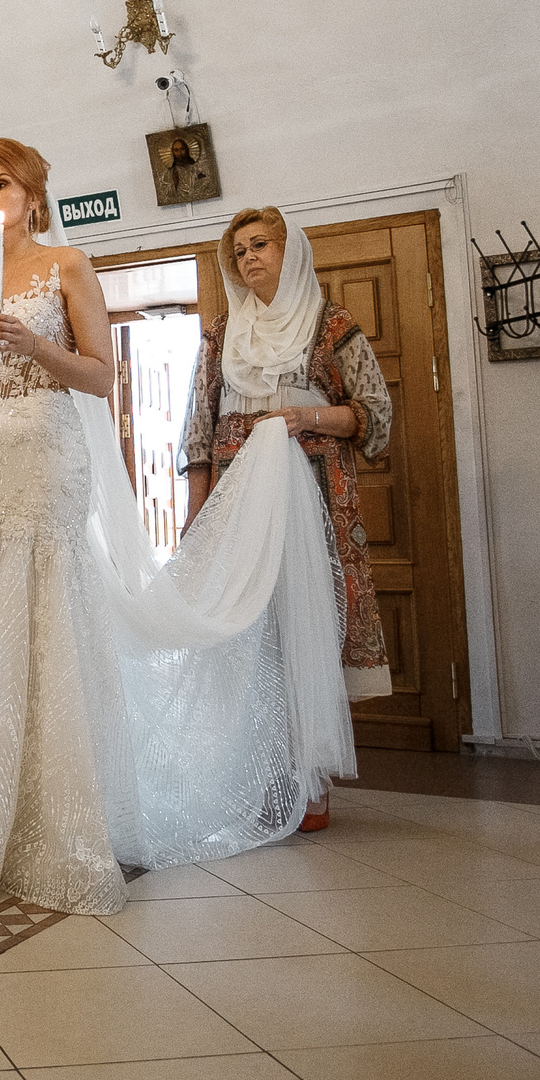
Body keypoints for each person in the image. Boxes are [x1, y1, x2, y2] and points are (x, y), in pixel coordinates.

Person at [0, 139, 354, 914]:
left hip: (46, 457)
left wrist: (36, 346)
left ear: (31, 195)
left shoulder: (68, 267)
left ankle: (57, 820)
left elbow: (100, 374)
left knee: (46, 619)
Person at [182, 207, 395, 829]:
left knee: (306, 627)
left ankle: (311, 784)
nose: (249, 258)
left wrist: (307, 418)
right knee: (251, 631)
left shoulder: (332, 325)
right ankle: (255, 779)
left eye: (260, 245)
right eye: (239, 251)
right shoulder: (222, 334)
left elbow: (374, 415)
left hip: (313, 500)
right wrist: (197, 522)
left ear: (289, 251)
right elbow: (199, 431)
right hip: (237, 501)